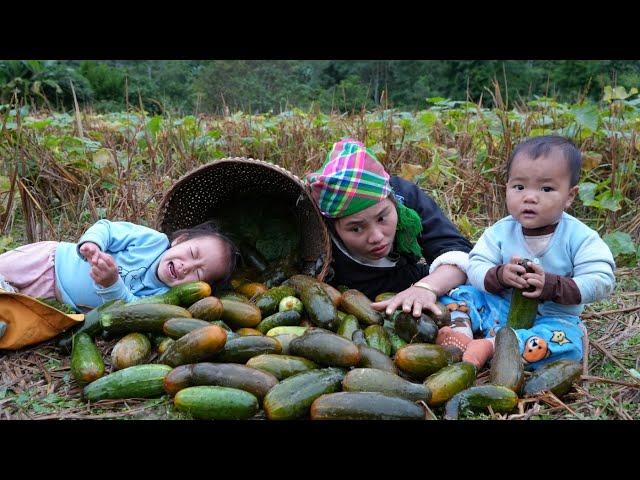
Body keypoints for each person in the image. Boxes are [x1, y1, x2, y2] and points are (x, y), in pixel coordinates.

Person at [435, 135, 616, 370]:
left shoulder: (580, 237)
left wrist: (553, 286)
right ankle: (462, 334)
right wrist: (498, 275)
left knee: (569, 344)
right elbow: (476, 265)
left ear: (570, 196)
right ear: (507, 188)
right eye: (519, 187)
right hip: (499, 309)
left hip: (551, 318)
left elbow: (602, 279)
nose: (529, 197)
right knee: (458, 293)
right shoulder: (499, 232)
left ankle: (491, 346)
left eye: (546, 188)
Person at [306, 138, 473, 318]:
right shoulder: (319, 245)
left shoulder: (407, 199)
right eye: (356, 229)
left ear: (393, 200)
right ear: (332, 227)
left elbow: (459, 254)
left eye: (382, 218)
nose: (376, 237)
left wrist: (426, 287)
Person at [0, 219, 239, 312]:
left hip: (56, 302)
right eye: (192, 253)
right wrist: (93, 243)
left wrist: (113, 284)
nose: (187, 266)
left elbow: (131, 310)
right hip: (49, 261)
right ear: (180, 240)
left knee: (10, 310)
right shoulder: (151, 241)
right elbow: (107, 228)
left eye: (198, 272)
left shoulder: (166, 296)